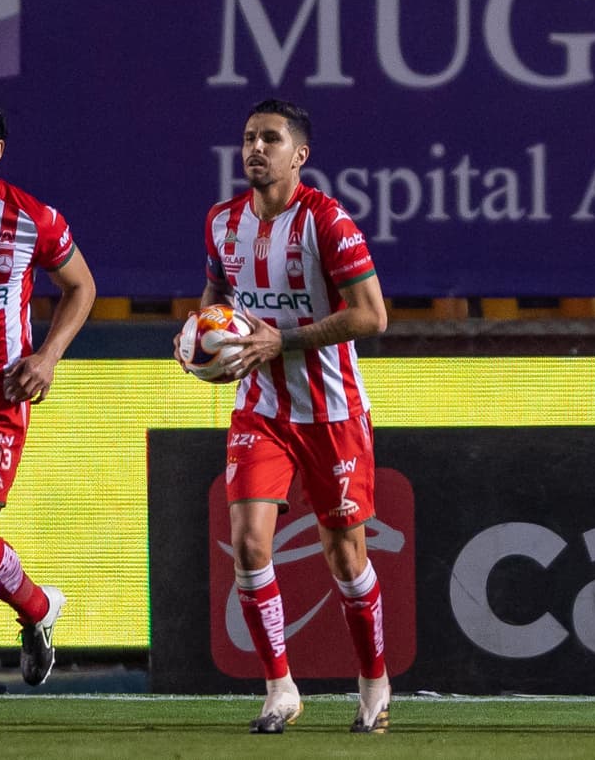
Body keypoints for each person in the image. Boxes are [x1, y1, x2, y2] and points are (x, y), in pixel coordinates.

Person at [178, 99, 390, 734]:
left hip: (332, 411)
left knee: (345, 554)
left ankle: (375, 683)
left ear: (299, 155)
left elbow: (372, 316)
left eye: (270, 139)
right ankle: (280, 689)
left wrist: (283, 340)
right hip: (261, 408)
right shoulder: (222, 223)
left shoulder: (328, 222)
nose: (255, 149)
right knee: (246, 542)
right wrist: (197, 333)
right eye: (248, 138)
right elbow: (217, 297)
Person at [0, 100, 96, 686]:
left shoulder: (32, 218)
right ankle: (37, 608)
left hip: (1, 396)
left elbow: (81, 287)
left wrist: (48, 357)